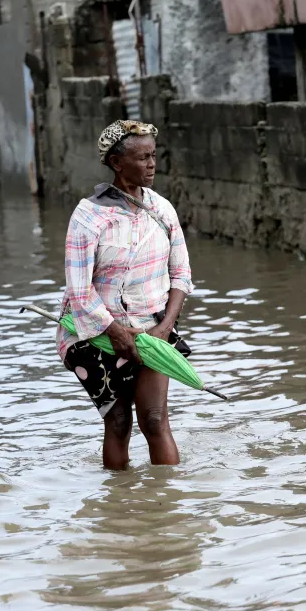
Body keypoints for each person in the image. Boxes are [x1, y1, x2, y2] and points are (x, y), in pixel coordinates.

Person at [57, 120, 194, 470]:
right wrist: (115, 331)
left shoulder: (162, 210)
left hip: (152, 330)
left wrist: (164, 329)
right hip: (96, 334)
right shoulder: (89, 217)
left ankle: (168, 499)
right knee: (118, 422)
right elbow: (79, 290)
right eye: (142, 158)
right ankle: (119, 498)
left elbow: (181, 275)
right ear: (117, 163)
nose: (151, 164)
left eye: (153, 156)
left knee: (154, 419)